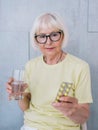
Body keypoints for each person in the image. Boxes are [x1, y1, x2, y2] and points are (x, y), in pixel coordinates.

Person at [6, 13, 93, 130]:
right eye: (42, 36)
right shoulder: (31, 65)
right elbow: (25, 107)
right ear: (36, 40)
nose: (48, 42)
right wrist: (19, 95)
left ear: (63, 36)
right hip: (33, 126)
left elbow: (83, 117)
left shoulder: (80, 67)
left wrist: (72, 110)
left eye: (54, 35)